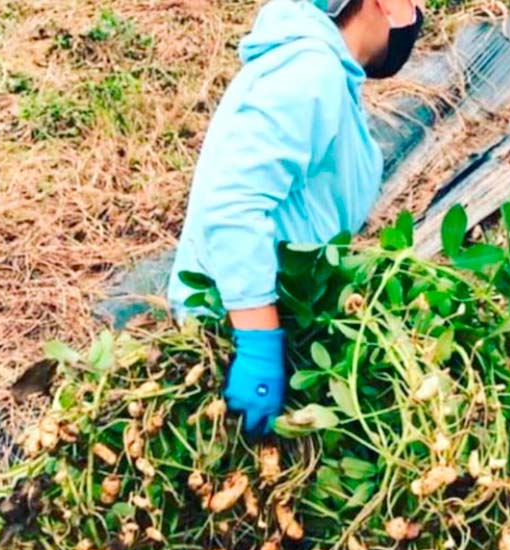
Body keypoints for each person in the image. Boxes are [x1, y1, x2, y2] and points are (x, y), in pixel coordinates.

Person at [167, 0, 423, 437]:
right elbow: (233, 201)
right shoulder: (309, 71)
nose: (417, 13)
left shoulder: (330, 74)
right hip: (228, 333)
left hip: (283, 321)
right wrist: (258, 348)